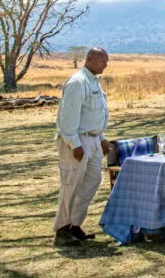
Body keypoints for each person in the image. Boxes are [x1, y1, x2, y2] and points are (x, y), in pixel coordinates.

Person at [53, 47, 111, 247]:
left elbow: (93, 116)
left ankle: (75, 224)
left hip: (93, 139)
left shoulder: (93, 81)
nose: (105, 65)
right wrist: (74, 144)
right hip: (78, 141)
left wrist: (102, 138)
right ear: (90, 58)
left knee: (91, 181)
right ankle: (62, 230)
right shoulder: (78, 82)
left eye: (106, 62)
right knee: (71, 184)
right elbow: (67, 118)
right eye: (102, 61)